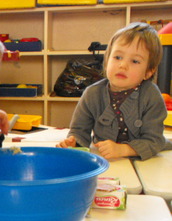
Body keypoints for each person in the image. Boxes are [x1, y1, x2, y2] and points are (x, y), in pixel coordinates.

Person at [56, 22, 172, 160]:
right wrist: (73, 143)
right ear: (106, 61)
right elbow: (79, 131)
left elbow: (154, 140)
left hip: (145, 160)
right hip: (107, 160)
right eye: (117, 57)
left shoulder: (151, 95)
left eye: (135, 61)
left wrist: (124, 149)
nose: (122, 65)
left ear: (148, 72)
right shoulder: (92, 93)